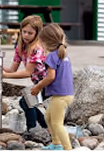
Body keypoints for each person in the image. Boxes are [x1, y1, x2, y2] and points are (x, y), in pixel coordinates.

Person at [31, 23, 74, 151]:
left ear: (46, 42)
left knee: (57, 123)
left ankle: (67, 148)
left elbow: (50, 77)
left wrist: (38, 87)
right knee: (48, 116)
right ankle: (56, 144)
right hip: (67, 94)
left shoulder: (51, 56)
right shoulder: (63, 55)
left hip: (60, 97)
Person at [2, 15, 48, 131]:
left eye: (30, 33)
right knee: (26, 102)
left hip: (48, 82)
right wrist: (0, 68)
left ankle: (32, 128)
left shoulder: (37, 49)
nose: (26, 35)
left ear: (37, 34)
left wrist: (6, 76)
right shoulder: (20, 47)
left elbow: (27, 72)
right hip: (38, 82)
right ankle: (45, 124)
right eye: (24, 32)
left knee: (26, 102)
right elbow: (13, 69)